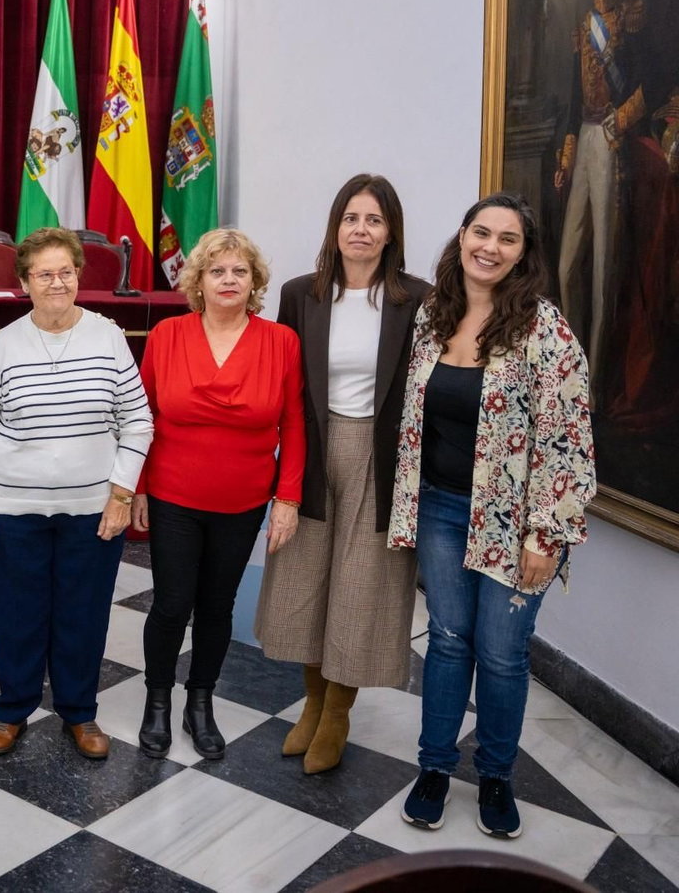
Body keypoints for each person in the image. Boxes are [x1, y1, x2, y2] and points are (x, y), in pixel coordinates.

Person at [395, 193, 594, 839]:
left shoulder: (544, 329)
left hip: (517, 522)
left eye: (508, 239)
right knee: (448, 640)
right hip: (440, 509)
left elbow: (568, 440)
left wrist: (547, 534)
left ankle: (496, 776)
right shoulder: (434, 316)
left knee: (503, 654)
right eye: (481, 233)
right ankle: (433, 767)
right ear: (461, 237)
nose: (491, 247)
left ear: (522, 253)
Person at [253, 175, 430, 774]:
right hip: (312, 447)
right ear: (335, 227)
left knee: (361, 586)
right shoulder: (301, 294)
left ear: (390, 232)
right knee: (304, 579)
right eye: (351, 218)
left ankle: (337, 714)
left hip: (380, 457)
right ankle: (312, 702)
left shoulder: (417, 300)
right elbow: (285, 384)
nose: (361, 230)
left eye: (374, 220)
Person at [0, 228, 152, 759]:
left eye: (65, 271)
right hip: (12, 508)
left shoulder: (108, 337)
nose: (57, 282)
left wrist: (121, 495)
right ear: (24, 283)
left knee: (82, 615)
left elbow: (138, 422)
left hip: (92, 510)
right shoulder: (5, 343)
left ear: (78, 275)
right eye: (44, 274)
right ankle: (12, 711)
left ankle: (79, 712)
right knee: (16, 615)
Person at [131, 228, 303, 761]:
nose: (229, 280)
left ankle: (199, 703)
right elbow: (141, 416)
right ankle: (157, 701)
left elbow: (295, 424)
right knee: (171, 603)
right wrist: (136, 487)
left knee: (216, 606)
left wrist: (288, 499)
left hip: (243, 501)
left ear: (254, 282)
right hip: (173, 494)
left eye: (239, 271)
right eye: (217, 271)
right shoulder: (167, 335)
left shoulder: (281, 342)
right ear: (199, 281)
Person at [552, 0, 649, 392]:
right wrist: (567, 158)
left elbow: (650, 87)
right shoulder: (582, 26)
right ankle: (573, 365)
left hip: (611, 141)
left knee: (603, 270)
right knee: (568, 266)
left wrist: (621, 122)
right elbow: (574, 102)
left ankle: (593, 381)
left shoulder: (631, 19)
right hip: (586, 139)